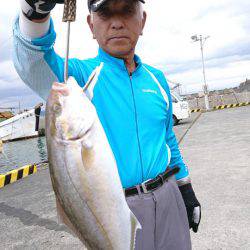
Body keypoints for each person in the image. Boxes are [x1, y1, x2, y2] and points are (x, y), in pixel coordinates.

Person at [13, 0, 201, 249]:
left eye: (127, 10)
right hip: (116, 209)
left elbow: (167, 139)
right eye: (105, 12)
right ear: (91, 24)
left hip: (169, 196)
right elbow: (33, 63)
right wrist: (34, 12)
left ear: (142, 21)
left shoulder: (157, 79)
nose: (117, 22)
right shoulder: (78, 78)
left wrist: (185, 187)